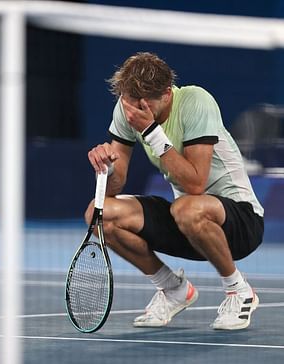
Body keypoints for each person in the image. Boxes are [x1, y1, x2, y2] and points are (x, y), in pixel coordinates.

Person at [86, 52, 264, 330]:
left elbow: (195, 184)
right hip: (188, 224)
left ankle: (239, 291)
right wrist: (106, 168)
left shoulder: (196, 101)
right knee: (100, 214)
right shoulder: (127, 108)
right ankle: (172, 289)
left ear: (167, 94)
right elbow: (114, 189)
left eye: (144, 105)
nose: (134, 111)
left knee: (186, 208)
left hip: (240, 223)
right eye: (129, 103)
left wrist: (151, 131)